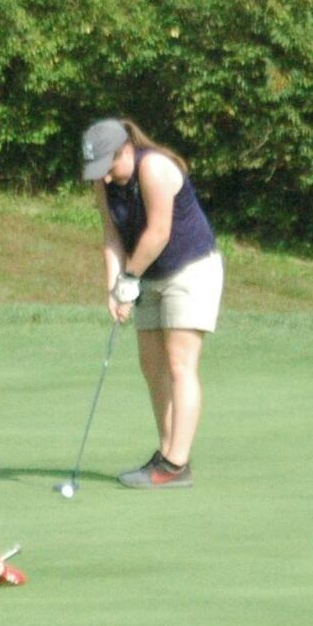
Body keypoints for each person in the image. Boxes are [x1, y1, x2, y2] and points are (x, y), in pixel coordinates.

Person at [82, 118, 223, 488]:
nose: (107, 178)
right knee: (151, 365)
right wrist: (114, 287)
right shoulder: (106, 183)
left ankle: (176, 465)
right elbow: (112, 235)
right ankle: (166, 454)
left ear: (125, 149)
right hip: (146, 273)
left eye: (109, 166)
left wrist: (129, 278)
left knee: (180, 363)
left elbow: (159, 232)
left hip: (190, 270)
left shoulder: (155, 167)